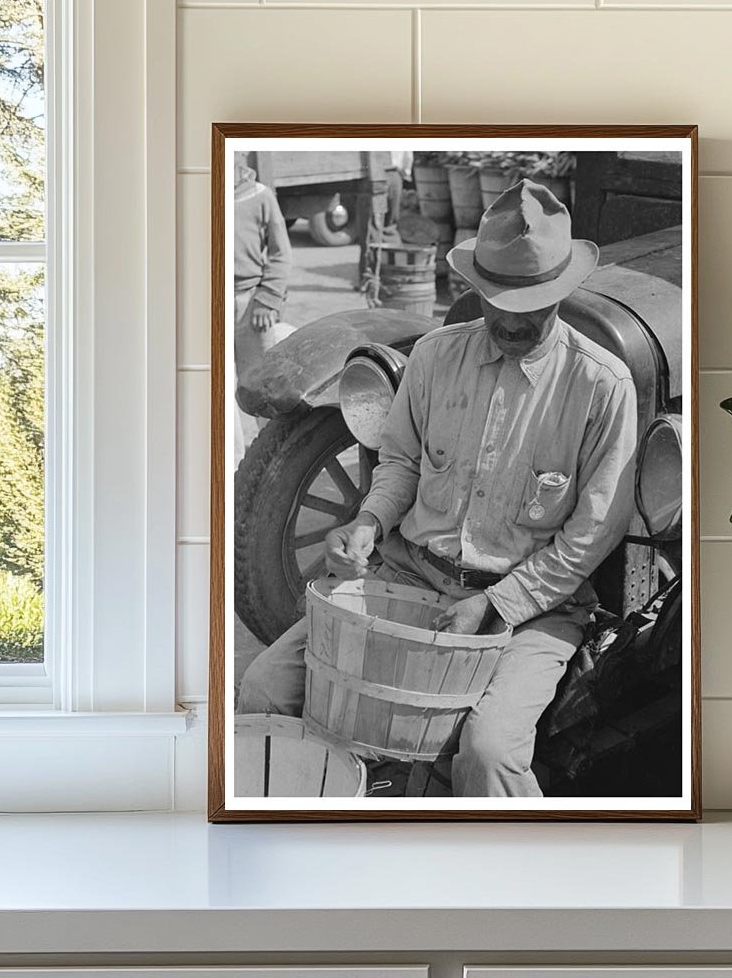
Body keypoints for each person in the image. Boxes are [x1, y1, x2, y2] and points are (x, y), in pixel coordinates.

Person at [237, 178, 638, 797]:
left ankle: (518, 884)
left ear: (563, 292)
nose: (510, 319)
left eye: (531, 302)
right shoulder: (432, 356)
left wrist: (496, 603)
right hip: (408, 576)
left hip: (532, 612)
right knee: (266, 688)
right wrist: (367, 524)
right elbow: (398, 463)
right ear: (476, 287)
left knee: (487, 754)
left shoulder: (602, 386)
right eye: (497, 299)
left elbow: (592, 536)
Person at [233, 152, 293, 452]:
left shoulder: (260, 197)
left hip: (250, 307)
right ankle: (227, 467)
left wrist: (267, 300)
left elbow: (281, 254)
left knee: (261, 388)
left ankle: (268, 459)